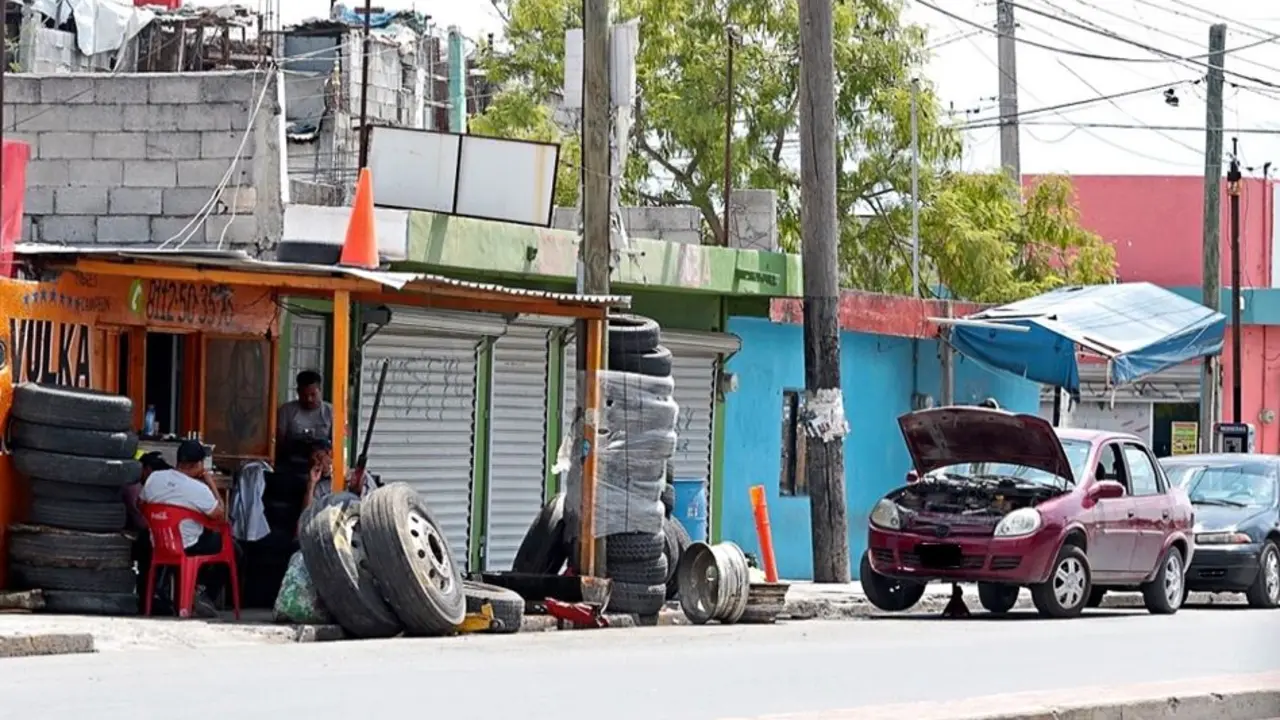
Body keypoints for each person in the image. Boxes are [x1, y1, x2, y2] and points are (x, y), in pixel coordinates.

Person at [139, 440, 228, 617]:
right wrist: (210, 482)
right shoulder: (199, 489)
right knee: (232, 548)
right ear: (198, 465)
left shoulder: (155, 478)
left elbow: (140, 503)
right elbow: (220, 515)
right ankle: (202, 592)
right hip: (187, 546)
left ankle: (183, 591)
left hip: (157, 543)